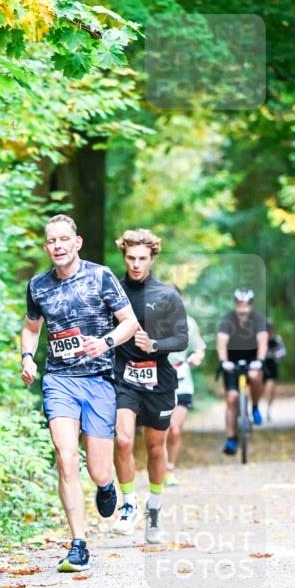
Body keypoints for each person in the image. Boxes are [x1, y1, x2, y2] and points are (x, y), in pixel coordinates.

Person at [21, 214, 138, 573]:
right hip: (59, 381)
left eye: (62, 240)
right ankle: (78, 543)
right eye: (50, 241)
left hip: (98, 380)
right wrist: (27, 357)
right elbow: (30, 328)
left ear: (77, 243)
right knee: (66, 456)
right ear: (46, 247)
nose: (56, 246)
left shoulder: (100, 276)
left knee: (100, 469)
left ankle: (106, 486)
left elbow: (130, 323)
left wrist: (103, 343)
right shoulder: (38, 286)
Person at [111, 229, 188, 544]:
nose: (136, 264)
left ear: (153, 258)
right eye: (131, 258)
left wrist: (153, 343)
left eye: (142, 258)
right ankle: (128, 504)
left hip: (158, 380)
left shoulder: (167, 295)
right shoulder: (112, 290)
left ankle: (154, 507)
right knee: (123, 439)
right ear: (124, 256)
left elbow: (181, 339)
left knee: (156, 447)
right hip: (122, 376)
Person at [216, 288, 268, 455]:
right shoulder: (227, 318)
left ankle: (254, 406)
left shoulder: (258, 318)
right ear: (235, 303)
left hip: (253, 359)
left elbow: (263, 341)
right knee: (232, 398)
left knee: (255, 375)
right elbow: (221, 342)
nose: (242, 306)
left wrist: (259, 361)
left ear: (250, 304)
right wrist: (224, 361)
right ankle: (230, 438)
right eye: (239, 302)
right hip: (231, 361)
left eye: (245, 303)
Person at [165, 296, 206, 486]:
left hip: (182, 377)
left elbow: (199, 348)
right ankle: (158, 466)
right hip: (159, 379)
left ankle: (169, 469)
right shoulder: (152, 321)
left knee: (174, 429)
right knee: (160, 430)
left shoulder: (189, 323)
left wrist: (197, 357)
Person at [263, 319, 287, 421]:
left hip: (272, 366)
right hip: (260, 366)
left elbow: (283, 351)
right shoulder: (259, 340)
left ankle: (268, 409)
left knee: (271, 387)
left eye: (269, 328)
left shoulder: (277, 339)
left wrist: (278, 354)